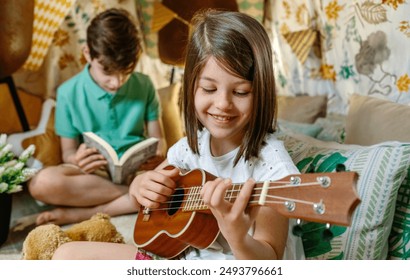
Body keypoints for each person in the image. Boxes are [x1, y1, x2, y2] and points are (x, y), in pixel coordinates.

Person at [52, 9, 304, 260]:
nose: (223, 103)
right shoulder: (188, 149)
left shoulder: (273, 170)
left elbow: (269, 262)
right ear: (191, 86)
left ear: (262, 91)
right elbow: (146, 195)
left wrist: (237, 236)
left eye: (240, 92)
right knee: (66, 255)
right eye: (209, 88)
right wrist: (140, 186)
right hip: (175, 259)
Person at [28, 8, 166, 226]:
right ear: (87, 54)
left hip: (138, 170)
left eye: (125, 72)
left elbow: (159, 140)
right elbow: (68, 152)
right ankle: (134, 196)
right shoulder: (68, 92)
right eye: (108, 72)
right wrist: (77, 159)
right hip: (94, 176)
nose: (117, 82)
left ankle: (87, 213)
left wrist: (158, 153)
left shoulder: (145, 84)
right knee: (40, 183)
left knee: (177, 169)